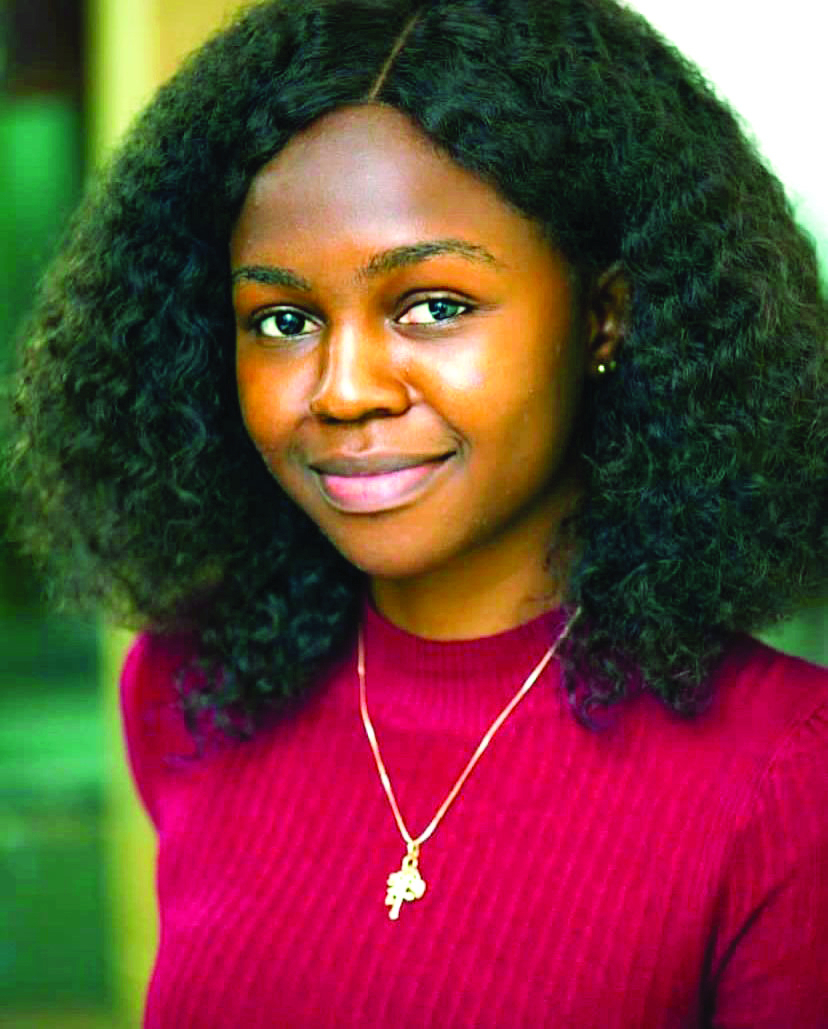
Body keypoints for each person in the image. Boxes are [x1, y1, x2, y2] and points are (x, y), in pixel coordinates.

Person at [7, 0, 828, 1025]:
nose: (344, 388)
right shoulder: (189, 690)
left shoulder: (792, 775)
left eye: (434, 305)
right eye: (284, 318)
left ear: (604, 316)